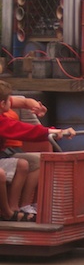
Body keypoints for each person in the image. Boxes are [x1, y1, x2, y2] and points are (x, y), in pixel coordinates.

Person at [0, 80, 75, 220]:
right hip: (6, 150)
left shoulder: (4, 103)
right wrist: (53, 132)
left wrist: (32, 103)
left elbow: (20, 102)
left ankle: (20, 207)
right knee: (2, 174)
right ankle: (7, 213)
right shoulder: (2, 119)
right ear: (3, 105)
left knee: (32, 162)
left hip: (6, 150)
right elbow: (22, 130)